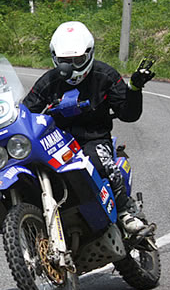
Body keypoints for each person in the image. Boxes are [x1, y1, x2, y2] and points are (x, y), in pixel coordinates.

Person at [22, 21, 156, 235]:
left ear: (89, 54)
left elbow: (128, 115)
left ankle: (125, 211)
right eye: (66, 61)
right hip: (55, 143)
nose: (72, 67)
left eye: (78, 60)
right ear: (55, 58)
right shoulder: (48, 81)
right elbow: (25, 111)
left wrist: (134, 88)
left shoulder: (105, 75)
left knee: (96, 161)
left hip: (94, 138)